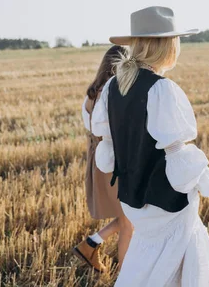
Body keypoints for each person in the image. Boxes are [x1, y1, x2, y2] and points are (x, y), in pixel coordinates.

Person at [91, 6, 209, 286]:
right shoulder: (161, 89)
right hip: (165, 202)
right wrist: (205, 176)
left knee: (146, 261)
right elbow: (177, 153)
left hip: (133, 198)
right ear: (167, 46)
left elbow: (109, 147)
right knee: (180, 265)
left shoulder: (113, 86)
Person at [73, 45, 133, 273]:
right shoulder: (112, 92)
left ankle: (90, 245)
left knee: (129, 216)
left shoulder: (91, 94)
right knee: (129, 220)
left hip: (98, 160)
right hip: (112, 161)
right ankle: (126, 276)